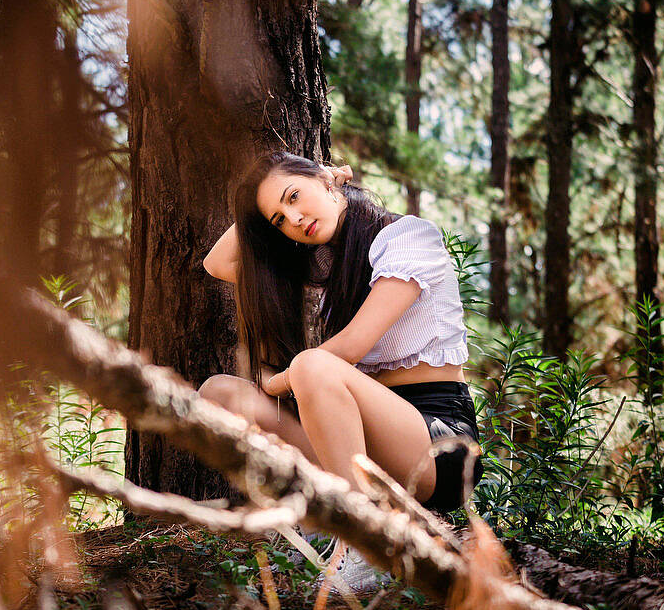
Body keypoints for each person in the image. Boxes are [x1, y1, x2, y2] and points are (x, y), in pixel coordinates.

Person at [199, 149, 482, 529]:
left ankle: (362, 541)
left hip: (437, 445)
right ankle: (329, 521)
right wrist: (255, 214)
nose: (295, 219)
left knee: (313, 365)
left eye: (294, 196)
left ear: (326, 180)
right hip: (353, 441)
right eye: (280, 219)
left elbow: (351, 347)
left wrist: (278, 381)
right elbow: (217, 264)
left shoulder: (409, 237)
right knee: (219, 394)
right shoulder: (325, 263)